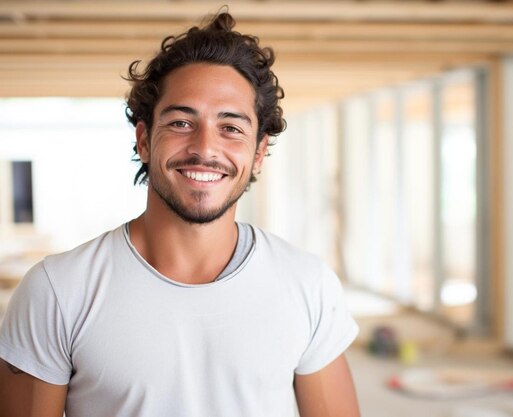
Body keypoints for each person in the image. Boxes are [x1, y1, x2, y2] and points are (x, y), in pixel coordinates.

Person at [0, 11, 360, 417]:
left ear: (258, 154)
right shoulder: (56, 292)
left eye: (231, 128)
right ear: (144, 140)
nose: (205, 148)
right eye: (182, 122)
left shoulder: (308, 285)